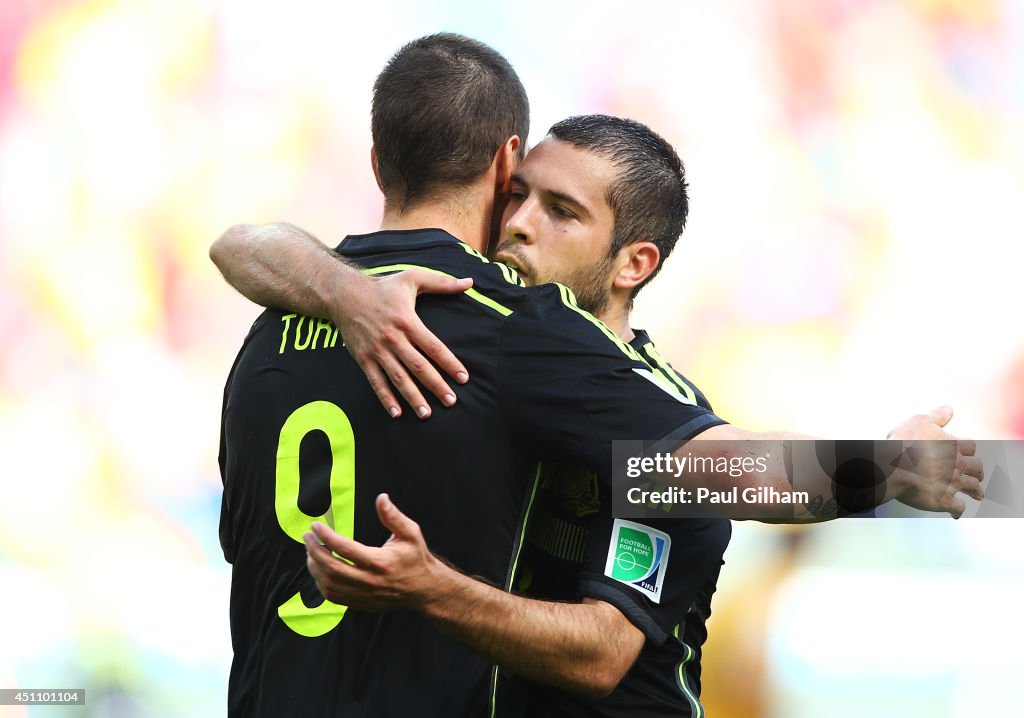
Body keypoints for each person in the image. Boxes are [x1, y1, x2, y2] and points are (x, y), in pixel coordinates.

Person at [214, 93, 984, 718]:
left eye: (562, 211)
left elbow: (602, 654)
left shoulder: (631, 409)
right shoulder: (498, 350)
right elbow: (239, 246)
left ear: (633, 263)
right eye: (517, 196)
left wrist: (884, 471)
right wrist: (353, 295)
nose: (517, 223)